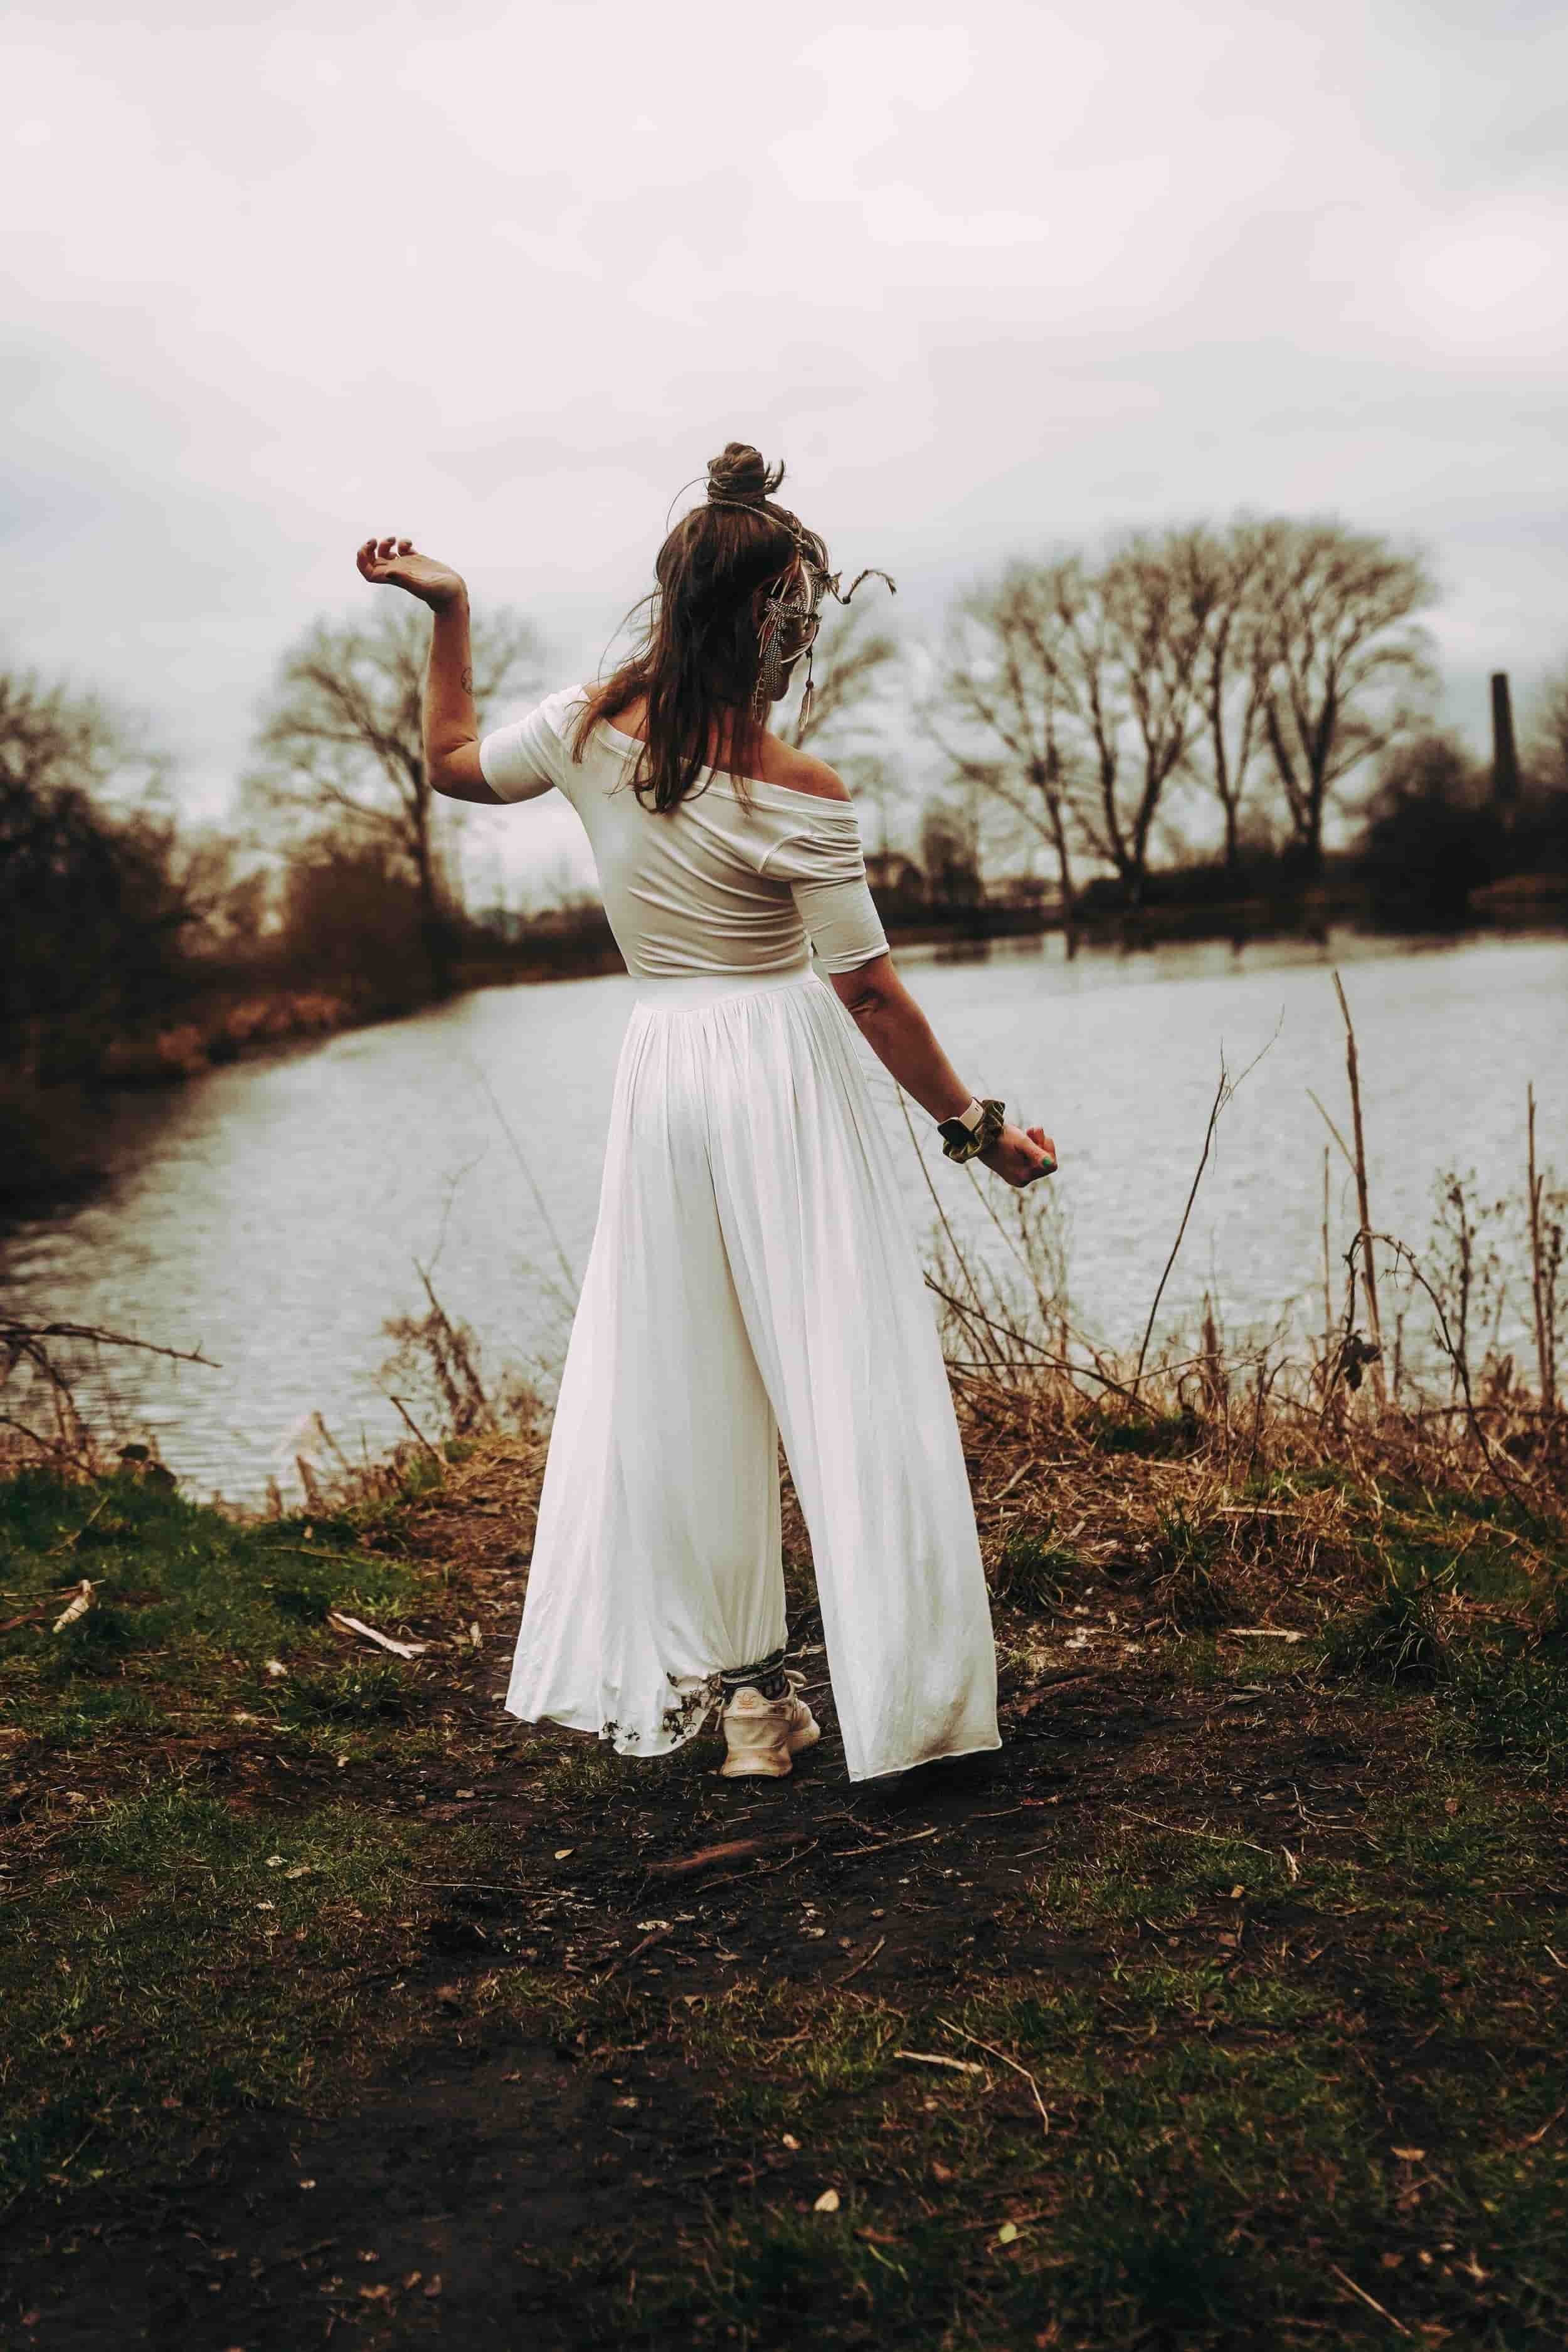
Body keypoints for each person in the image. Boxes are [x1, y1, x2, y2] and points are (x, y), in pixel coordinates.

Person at [354, 442, 1057, 1785]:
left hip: (664, 1073)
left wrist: (448, 610)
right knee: (848, 1370)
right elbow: (868, 998)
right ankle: (903, 1700)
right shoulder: (802, 793)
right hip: (780, 1074)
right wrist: (979, 1133)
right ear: (772, 622)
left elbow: (447, 761)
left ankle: (753, 1711)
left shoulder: (582, 726)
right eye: (796, 610)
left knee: (689, 1381)